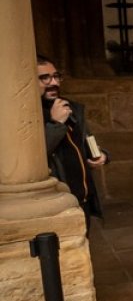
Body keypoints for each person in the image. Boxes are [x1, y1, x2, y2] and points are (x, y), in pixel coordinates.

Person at [38, 55, 108, 222]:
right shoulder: (29, 116)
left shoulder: (71, 108)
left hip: (82, 199)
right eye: (44, 78)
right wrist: (56, 124)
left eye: (56, 76)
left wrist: (102, 155)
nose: (54, 83)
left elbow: (86, 141)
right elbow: (34, 157)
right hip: (57, 204)